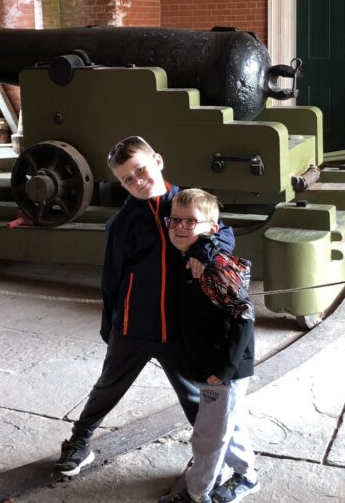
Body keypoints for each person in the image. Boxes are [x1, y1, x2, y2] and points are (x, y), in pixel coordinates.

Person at [53, 137, 235, 477]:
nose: (137, 181)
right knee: (107, 387)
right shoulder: (121, 224)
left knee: (194, 397)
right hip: (133, 326)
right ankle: (79, 441)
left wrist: (202, 251)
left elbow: (224, 232)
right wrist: (110, 326)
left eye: (141, 170)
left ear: (158, 161)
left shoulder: (186, 204)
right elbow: (111, 280)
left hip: (179, 328)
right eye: (127, 179)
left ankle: (209, 454)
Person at [158, 188, 258, 503]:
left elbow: (245, 315)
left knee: (208, 436)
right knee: (228, 424)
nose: (180, 227)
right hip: (209, 364)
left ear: (212, 228)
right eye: (175, 220)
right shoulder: (188, 258)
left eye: (191, 221)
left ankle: (198, 492)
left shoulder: (214, 267)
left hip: (223, 368)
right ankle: (245, 475)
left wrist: (223, 369)